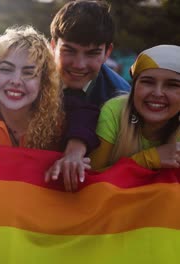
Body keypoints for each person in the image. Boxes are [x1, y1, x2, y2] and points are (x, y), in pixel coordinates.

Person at [0, 27, 89, 174]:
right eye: (6, 69)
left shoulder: (60, 124)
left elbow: (87, 114)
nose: (16, 81)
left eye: (29, 73)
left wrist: (74, 152)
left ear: (43, 81)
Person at [46, 0, 131, 191]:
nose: (79, 64)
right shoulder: (27, 81)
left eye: (92, 54)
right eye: (69, 51)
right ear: (53, 45)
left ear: (107, 52)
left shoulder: (122, 98)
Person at [90, 45, 180, 170]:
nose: (158, 93)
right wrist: (149, 159)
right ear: (134, 87)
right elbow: (91, 179)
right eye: (148, 82)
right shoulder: (115, 111)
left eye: (172, 85)